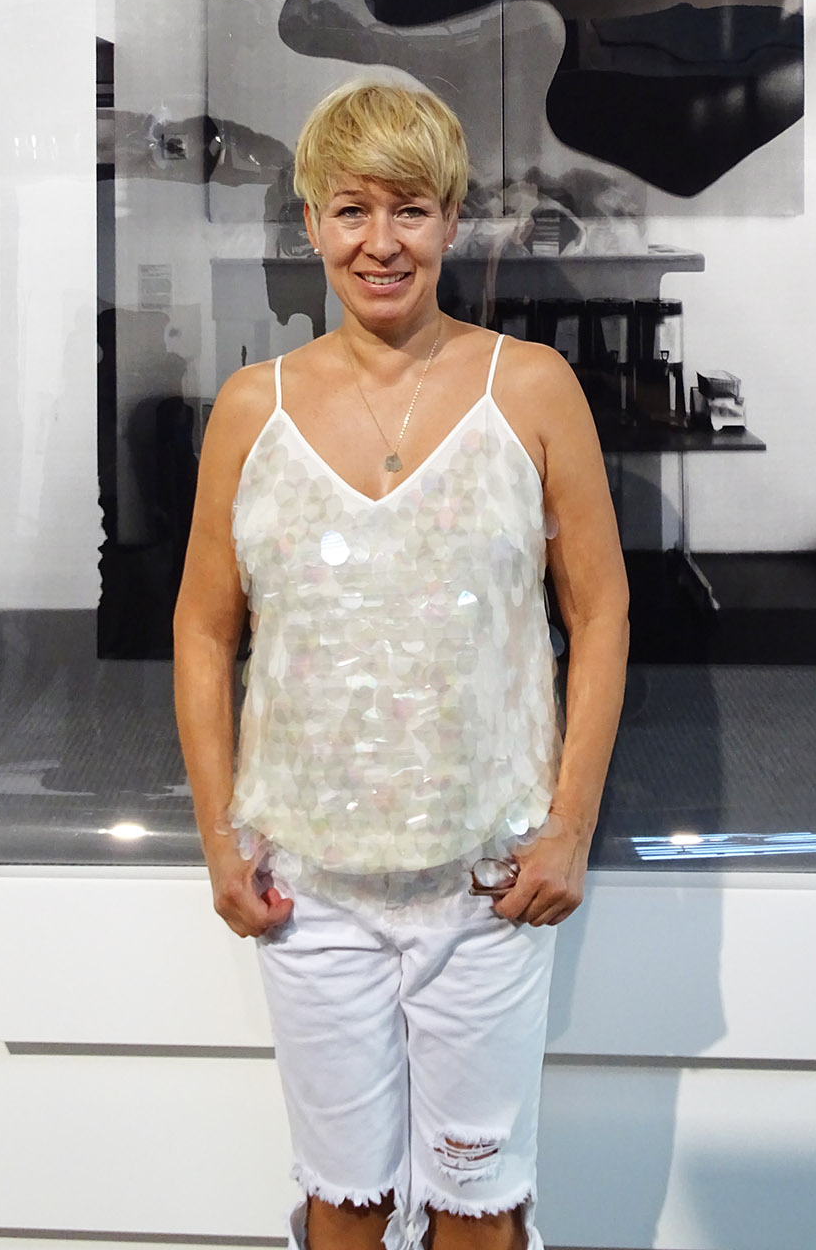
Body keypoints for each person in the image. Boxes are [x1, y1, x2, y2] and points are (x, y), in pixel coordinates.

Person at [173, 81, 629, 1250]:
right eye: (352, 209)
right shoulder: (251, 410)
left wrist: (570, 827)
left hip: (486, 883)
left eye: (411, 209)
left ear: (451, 220)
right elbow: (205, 628)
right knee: (346, 1206)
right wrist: (220, 839)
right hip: (310, 891)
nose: (382, 241)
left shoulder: (530, 388)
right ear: (312, 223)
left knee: (482, 1214)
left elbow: (600, 609)